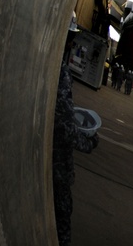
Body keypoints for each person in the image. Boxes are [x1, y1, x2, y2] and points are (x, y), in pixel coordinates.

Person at [53, 20, 99, 246]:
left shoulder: (52, 62)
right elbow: (64, 129)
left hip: (51, 162)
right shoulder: (58, 71)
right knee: (61, 217)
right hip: (57, 166)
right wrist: (88, 143)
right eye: (71, 37)